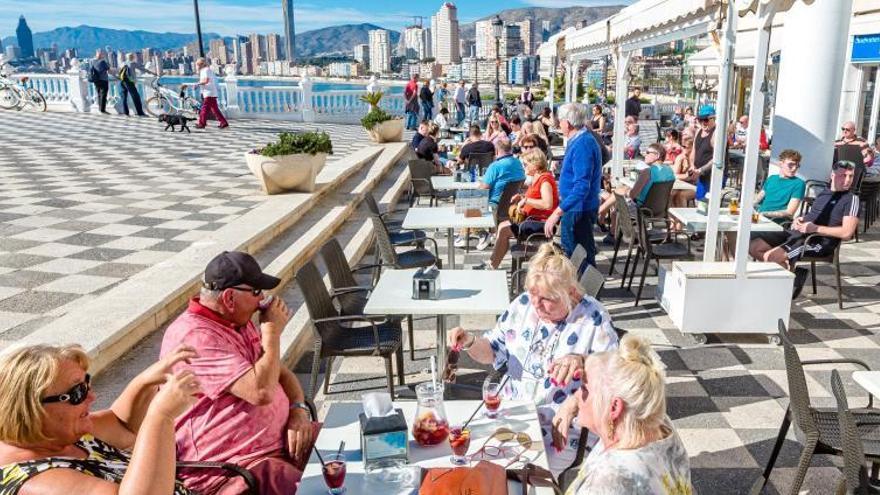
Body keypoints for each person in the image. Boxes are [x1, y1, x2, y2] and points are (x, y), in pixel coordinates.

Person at [448, 243, 619, 476]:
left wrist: (581, 365)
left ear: (570, 292)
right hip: (512, 412)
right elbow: (493, 350)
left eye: (546, 298)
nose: (536, 304)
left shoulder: (593, 319)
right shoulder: (523, 305)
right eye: (533, 293)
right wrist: (469, 341)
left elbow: (615, 379)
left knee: (513, 476)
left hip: (560, 427)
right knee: (468, 459)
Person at [160, 251, 316, 494]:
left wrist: (298, 410)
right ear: (230, 297)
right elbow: (261, 392)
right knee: (320, 489)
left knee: (357, 445)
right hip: (235, 467)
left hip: (279, 445)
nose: (262, 299)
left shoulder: (236, 321)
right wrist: (272, 332)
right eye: (256, 292)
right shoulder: (195, 337)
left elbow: (281, 374)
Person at [0, 344, 201, 494]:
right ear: (32, 409)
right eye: (77, 392)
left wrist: (145, 382)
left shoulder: (56, 435)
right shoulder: (33, 481)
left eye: (86, 383)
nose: (91, 396)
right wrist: (161, 415)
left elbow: (123, 425)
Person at [561, 335, 693, 494]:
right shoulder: (657, 423)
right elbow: (618, 375)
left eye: (584, 389)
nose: (577, 395)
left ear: (614, 407)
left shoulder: (610, 481)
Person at [749, 160, 859, 298]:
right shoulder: (824, 193)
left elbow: (847, 233)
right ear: (832, 175)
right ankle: (791, 277)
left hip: (817, 242)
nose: (848, 180)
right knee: (753, 246)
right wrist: (799, 219)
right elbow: (813, 215)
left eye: (851, 176)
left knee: (771, 256)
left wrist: (815, 228)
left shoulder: (851, 199)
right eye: (843, 175)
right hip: (798, 233)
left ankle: (780, 293)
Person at [543, 103, 604, 268]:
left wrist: (557, 213)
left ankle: (584, 291)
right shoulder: (580, 140)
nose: (558, 124)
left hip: (579, 209)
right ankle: (585, 290)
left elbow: (582, 187)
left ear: (568, 123)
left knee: (576, 256)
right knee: (581, 254)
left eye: (560, 121)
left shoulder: (583, 144)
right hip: (578, 207)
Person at [477, 148, 558, 269]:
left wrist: (525, 200)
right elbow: (535, 197)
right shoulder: (538, 177)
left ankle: (493, 265)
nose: (524, 167)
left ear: (535, 164)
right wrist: (522, 197)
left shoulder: (545, 179)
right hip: (532, 219)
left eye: (526, 164)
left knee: (504, 230)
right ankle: (492, 263)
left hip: (540, 222)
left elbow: (547, 204)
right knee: (502, 226)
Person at [597, 143, 674, 239]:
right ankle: (600, 214)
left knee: (618, 202)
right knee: (622, 190)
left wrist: (626, 192)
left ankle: (612, 234)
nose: (645, 155)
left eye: (648, 152)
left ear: (657, 155)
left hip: (642, 209)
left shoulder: (647, 171)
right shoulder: (670, 171)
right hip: (660, 209)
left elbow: (633, 195)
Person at [475, 140, 526, 250]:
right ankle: (487, 233)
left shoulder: (495, 166)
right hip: (512, 204)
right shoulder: (517, 163)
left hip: (496, 204)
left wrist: (477, 187)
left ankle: (481, 233)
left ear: (497, 150)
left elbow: (484, 188)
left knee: (469, 203)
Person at [753, 149, 806, 224]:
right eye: (791, 165)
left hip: (776, 222)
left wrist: (764, 214)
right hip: (759, 218)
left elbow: (789, 212)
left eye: (797, 165)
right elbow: (758, 198)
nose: (794, 168)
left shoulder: (799, 183)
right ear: (781, 164)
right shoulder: (772, 178)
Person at [185, 58, 228, 130]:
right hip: (210, 92)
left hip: (209, 93)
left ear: (201, 64)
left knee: (204, 109)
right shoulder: (205, 70)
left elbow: (206, 81)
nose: (196, 67)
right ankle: (223, 123)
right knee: (215, 109)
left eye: (197, 65)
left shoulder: (206, 70)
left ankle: (202, 123)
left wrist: (197, 84)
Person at [691, 104, 717, 200]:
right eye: (700, 120)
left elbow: (716, 158)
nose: (703, 123)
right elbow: (693, 150)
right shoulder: (699, 131)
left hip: (712, 175)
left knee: (705, 204)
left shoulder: (716, 134)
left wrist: (701, 170)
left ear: (713, 118)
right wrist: (692, 166)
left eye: (705, 120)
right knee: (699, 201)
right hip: (700, 174)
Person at [670, 128, 697, 209]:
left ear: (693, 148)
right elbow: (674, 175)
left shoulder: (696, 158)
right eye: (683, 147)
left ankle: (682, 220)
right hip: (683, 186)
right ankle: (672, 220)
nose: (684, 150)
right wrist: (686, 176)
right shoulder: (680, 158)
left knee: (680, 196)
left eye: (686, 147)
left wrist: (687, 176)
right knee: (671, 194)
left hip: (696, 187)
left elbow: (695, 177)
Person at [89, 49, 111, 114]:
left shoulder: (92, 61)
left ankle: (100, 108)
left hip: (96, 80)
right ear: (101, 55)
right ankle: (102, 110)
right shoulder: (102, 62)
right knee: (103, 95)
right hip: (103, 80)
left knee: (99, 94)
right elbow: (108, 69)